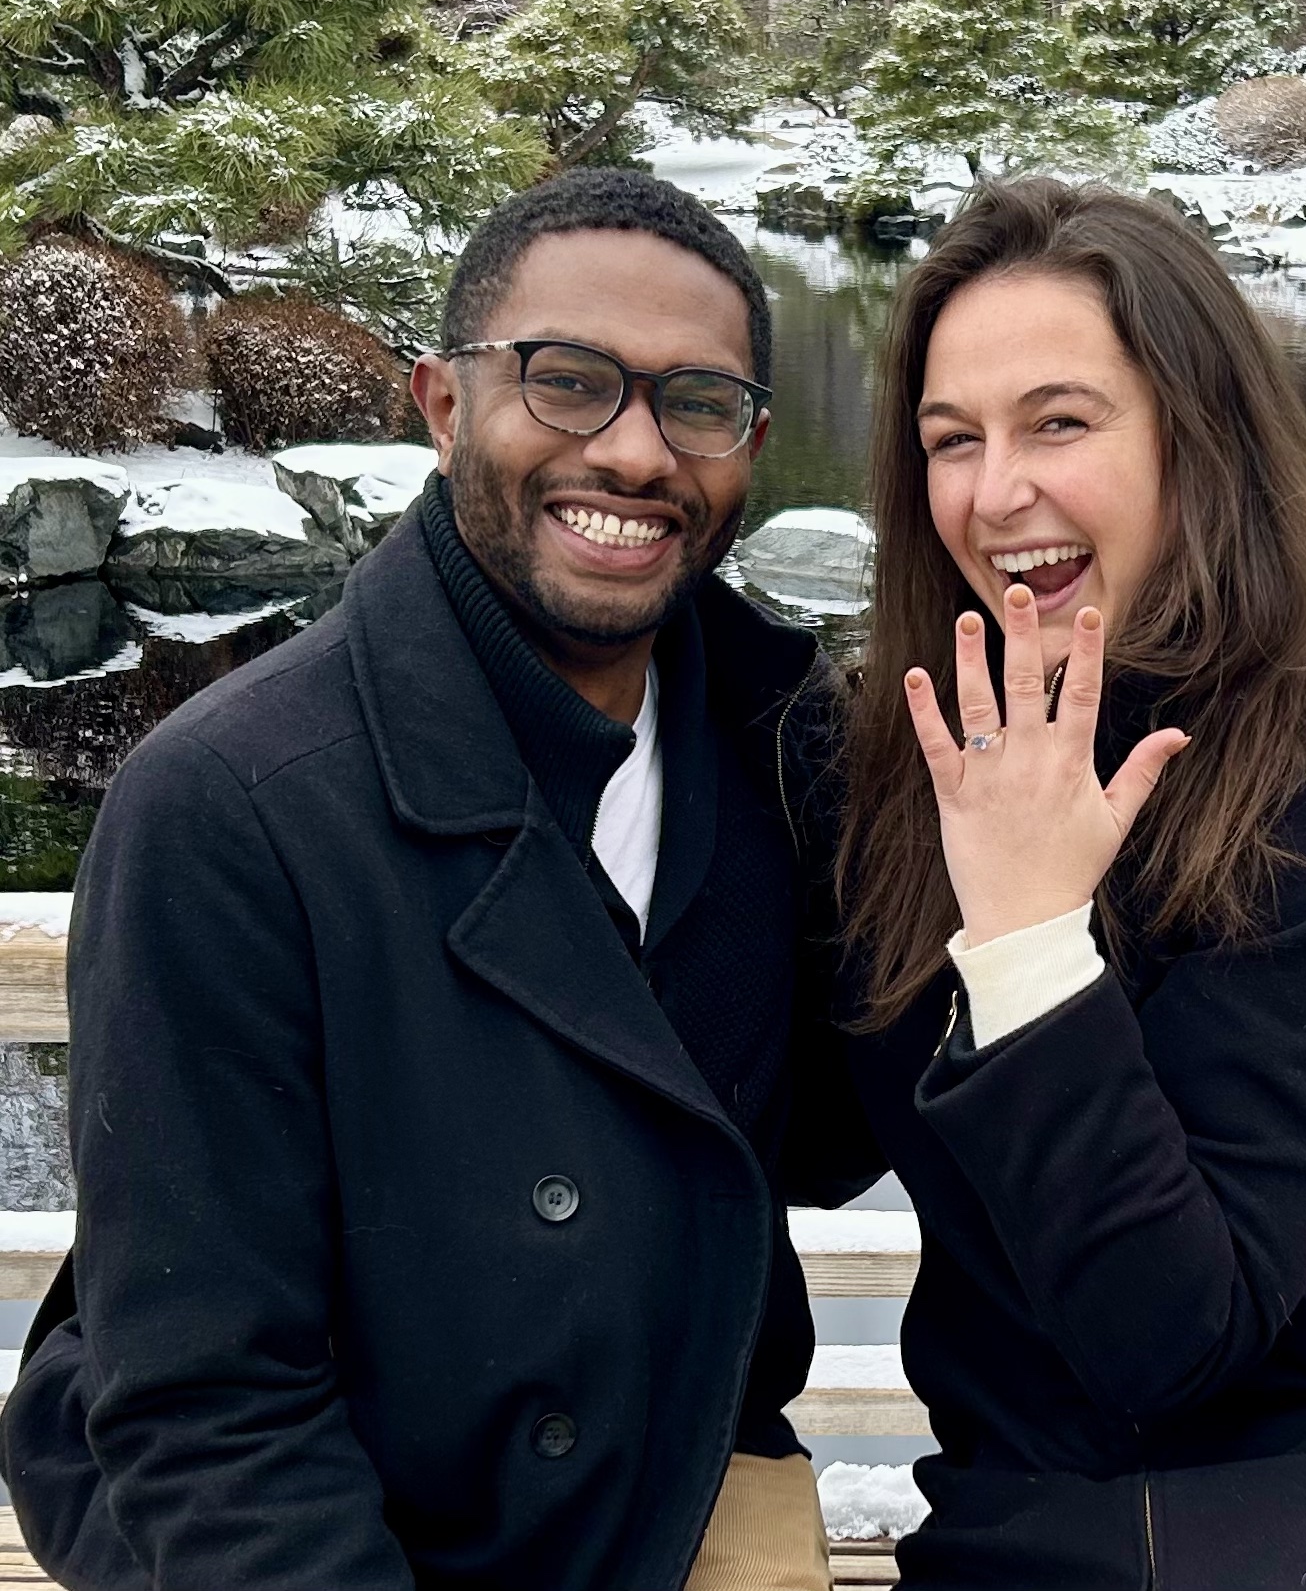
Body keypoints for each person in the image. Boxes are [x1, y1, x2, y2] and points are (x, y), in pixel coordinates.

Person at [1, 168, 879, 1591]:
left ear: (752, 442)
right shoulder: (234, 806)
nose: (639, 453)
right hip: (325, 1531)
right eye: (569, 381)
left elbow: (833, 1131)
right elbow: (212, 1405)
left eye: (696, 402)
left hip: (662, 1495)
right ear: (442, 401)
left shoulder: (784, 752)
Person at [835, 177, 1306, 1589]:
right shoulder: (880, 758)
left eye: (1060, 422)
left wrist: (1025, 939)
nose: (999, 490)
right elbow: (785, 1113)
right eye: (955, 440)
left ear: (1197, 437)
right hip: (1049, 1481)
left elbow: (1173, 1334)